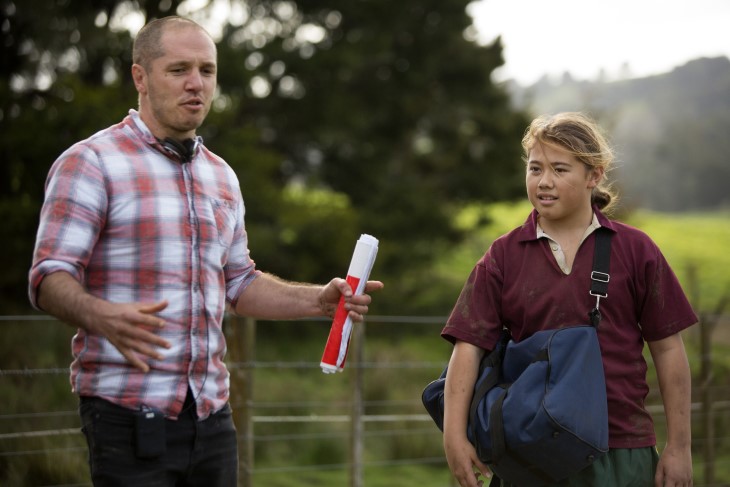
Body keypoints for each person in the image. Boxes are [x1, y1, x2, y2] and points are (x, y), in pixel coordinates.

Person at [28, 16, 383, 486]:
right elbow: (47, 277)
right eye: (178, 70)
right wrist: (101, 316)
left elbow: (238, 282)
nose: (196, 84)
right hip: (127, 415)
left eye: (207, 70)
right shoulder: (91, 163)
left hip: (213, 418)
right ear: (141, 77)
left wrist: (317, 299)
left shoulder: (221, 176)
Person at [440, 112, 696, 487]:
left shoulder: (637, 250)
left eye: (560, 169)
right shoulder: (503, 255)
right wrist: (453, 437)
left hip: (621, 450)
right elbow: (467, 348)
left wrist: (680, 447)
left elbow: (669, 350)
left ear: (594, 174)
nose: (544, 182)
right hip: (530, 453)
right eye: (535, 169)